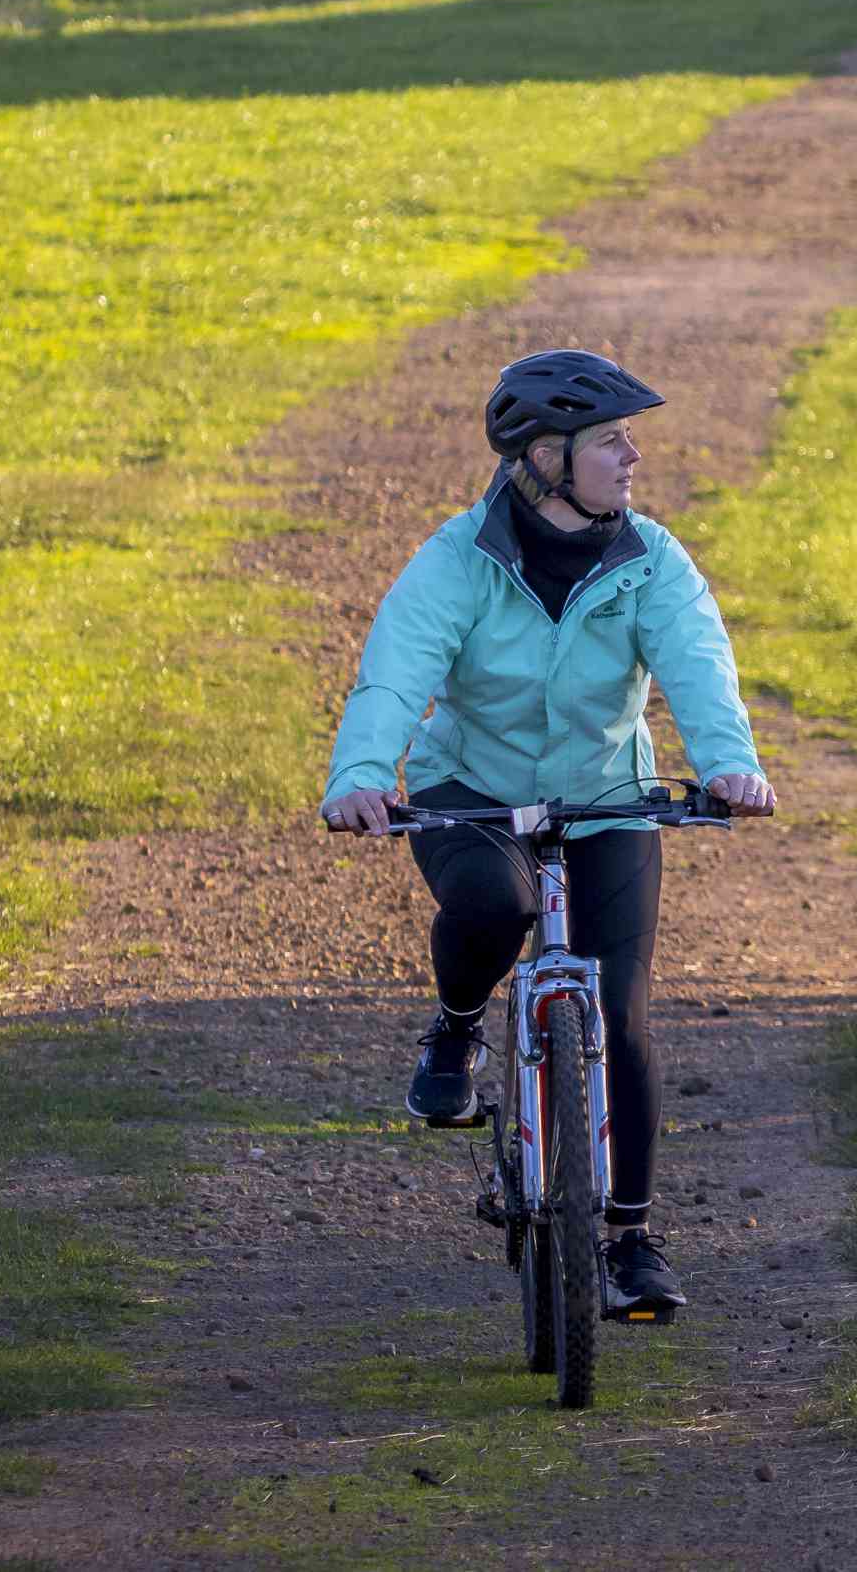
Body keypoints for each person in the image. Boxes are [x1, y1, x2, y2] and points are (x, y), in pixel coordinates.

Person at [321, 347, 777, 1322]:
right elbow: (396, 673)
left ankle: (630, 1242)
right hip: (470, 787)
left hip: (608, 794)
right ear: (544, 457)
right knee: (497, 903)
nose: (631, 458)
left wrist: (730, 764)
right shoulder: (458, 559)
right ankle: (454, 1034)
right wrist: (363, 778)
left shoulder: (649, 557)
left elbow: (698, 662)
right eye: (611, 441)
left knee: (619, 1008)